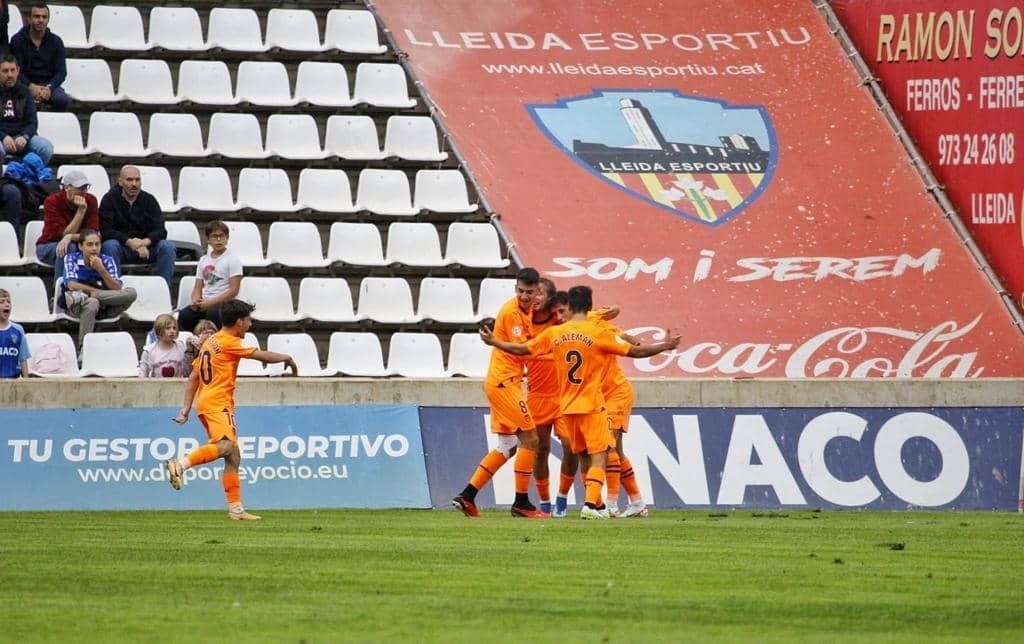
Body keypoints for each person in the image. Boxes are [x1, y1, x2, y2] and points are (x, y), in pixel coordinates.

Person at [481, 285, 680, 520]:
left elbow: (522, 349)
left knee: (585, 455)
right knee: (602, 453)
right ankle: (591, 504)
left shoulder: (555, 333)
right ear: (589, 306)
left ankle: (597, 505)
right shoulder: (596, 332)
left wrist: (495, 341)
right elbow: (634, 351)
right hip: (592, 405)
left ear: (570, 307)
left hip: (567, 407)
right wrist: (664, 346)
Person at [168, 299, 298, 521]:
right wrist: (287, 358)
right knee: (226, 446)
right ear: (239, 322)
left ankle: (235, 509)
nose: (250, 325)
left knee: (233, 455)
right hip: (218, 403)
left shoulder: (212, 341)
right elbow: (261, 356)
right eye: (248, 320)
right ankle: (180, 465)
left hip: (208, 402)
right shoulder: (228, 341)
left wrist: (186, 409)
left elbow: (193, 376)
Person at [451, 267, 547, 519]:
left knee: (508, 445)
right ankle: (521, 503)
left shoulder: (529, 311)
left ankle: (467, 496)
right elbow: (520, 349)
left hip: (505, 381)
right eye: (520, 291)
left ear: (537, 291)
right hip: (505, 382)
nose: (524, 296)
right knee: (531, 439)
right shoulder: (511, 312)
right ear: (516, 289)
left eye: (528, 292)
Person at [99, 165, 176, 288]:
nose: (134, 184)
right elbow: (106, 231)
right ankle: (116, 292)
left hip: (146, 249)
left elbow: (160, 230)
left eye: (137, 180)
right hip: (122, 248)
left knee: (167, 247)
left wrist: (144, 242)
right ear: (120, 181)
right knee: (110, 245)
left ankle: (165, 291)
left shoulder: (149, 200)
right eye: (129, 180)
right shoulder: (109, 199)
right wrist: (129, 242)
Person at [61, 228, 137, 349]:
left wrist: (101, 269)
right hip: (79, 305)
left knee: (132, 293)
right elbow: (71, 285)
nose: (94, 248)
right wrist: (98, 293)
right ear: (80, 246)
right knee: (92, 302)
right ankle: (84, 349)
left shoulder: (107, 260)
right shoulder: (71, 258)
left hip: (107, 307)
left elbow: (117, 288)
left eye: (97, 244)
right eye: (89, 244)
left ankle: (95, 297)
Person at [525, 278, 563, 514]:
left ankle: (563, 498)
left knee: (572, 447)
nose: (534, 297)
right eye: (533, 292)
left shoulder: (560, 321)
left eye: (540, 293)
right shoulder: (523, 321)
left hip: (564, 396)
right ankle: (545, 503)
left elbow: (589, 318)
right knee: (541, 450)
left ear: (549, 298)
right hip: (537, 396)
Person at [177, 221, 242, 335]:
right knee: (185, 315)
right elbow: (198, 286)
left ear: (227, 238)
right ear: (208, 240)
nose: (218, 239)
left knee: (213, 314)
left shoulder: (233, 260)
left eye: (221, 236)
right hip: (205, 303)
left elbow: (234, 290)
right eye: (214, 236)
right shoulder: (203, 260)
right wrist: (196, 301)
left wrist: (210, 303)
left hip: (224, 304)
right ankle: (192, 345)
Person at [35, 169, 97, 278]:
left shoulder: (91, 200)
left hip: (78, 244)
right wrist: (81, 211)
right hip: (48, 245)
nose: (83, 192)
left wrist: (70, 237)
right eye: (79, 188)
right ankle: (60, 291)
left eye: (85, 187)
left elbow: (92, 234)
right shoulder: (52, 201)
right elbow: (63, 234)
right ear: (67, 188)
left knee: (101, 246)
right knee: (68, 247)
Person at [10, 4, 70, 111]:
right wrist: (30, 86)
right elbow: (15, 70)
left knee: (62, 99)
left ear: (48, 20)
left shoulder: (56, 42)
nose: (40, 20)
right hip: (24, 84)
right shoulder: (17, 40)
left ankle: (51, 124)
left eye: (44, 17)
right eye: (36, 16)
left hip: (48, 85)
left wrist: (49, 88)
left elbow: (61, 72)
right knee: (16, 98)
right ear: (29, 19)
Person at [0, 53, 52, 164]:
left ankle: (28, 176)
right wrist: (4, 137)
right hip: (1, 138)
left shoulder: (25, 92)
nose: (9, 74)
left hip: (21, 137)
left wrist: (25, 137)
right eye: (5, 71)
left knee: (45, 148)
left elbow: (32, 122)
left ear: (18, 71)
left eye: (12, 70)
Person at [139, 313, 189, 378]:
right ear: (159, 330)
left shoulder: (181, 347)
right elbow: (142, 375)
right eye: (168, 328)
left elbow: (188, 372)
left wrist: (190, 350)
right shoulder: (148, 351)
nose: (172, 331)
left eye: (174, 328)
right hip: (156, 386)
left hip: (177, 386)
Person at [0, 288, 30, 378]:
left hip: (13, 382)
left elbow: (23, 359)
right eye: (2, 302)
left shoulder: (18, 330)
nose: (7, 304)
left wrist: (26, 382)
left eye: (8, 302)